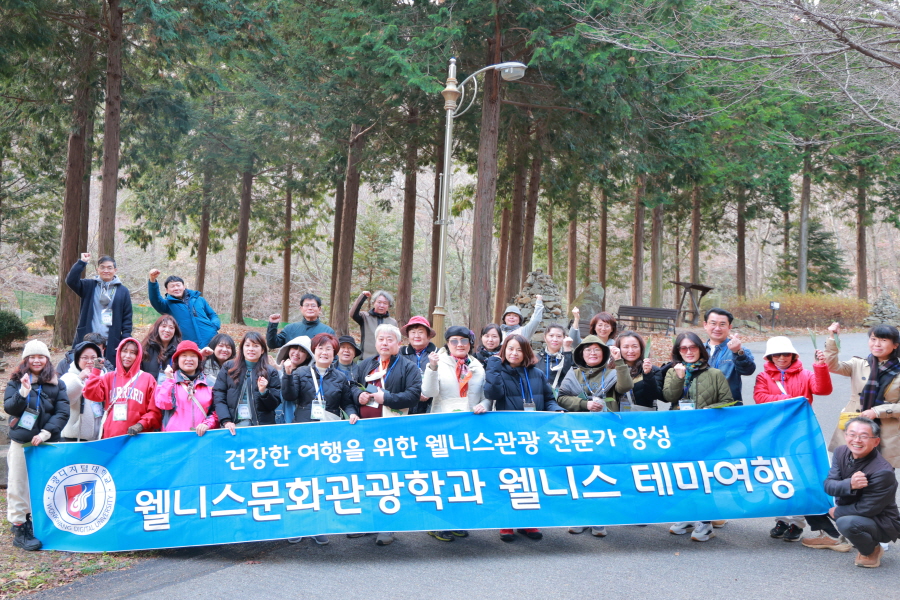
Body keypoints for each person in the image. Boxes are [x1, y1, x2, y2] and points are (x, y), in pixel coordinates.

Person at [482, 333, 562, 543]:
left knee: (531, 478)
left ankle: (528, 521)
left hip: (534, 434)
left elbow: (548, 399)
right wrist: (492, 367)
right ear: (504, 351)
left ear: (526, 352)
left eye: (519, 349)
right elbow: (491, 393)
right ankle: (506, 522)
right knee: (509, 478)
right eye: (510, 349)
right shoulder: (498, 372)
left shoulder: (536, 374)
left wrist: (557, 411)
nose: (514, 353)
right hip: (507, 434)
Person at [753, 336, 833, 541]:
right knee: (775, 475)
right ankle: (781, 519)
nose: (781, 357)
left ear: (793, 355)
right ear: (770, 356)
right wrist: (791, 400)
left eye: (786, 353)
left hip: (800, 434)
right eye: (777, 354)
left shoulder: (806, 374)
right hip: (774, 433)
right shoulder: (764, 377)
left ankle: (797, 522)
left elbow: (823, 389)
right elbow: (760, 398)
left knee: (799, 475)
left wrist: (821, 366)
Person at [350, 324, 422, 547]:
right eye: (380, 339)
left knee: (389, 477)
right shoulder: (365, 365)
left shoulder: (409, 367)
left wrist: (386, 398)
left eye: (389, 339)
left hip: (392, 431)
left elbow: (413, 395)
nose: (384, 343)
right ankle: (364, 522)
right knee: (364, 476)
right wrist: (359, 395)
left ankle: (387, 525)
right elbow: (350, 386)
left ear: (398, 343)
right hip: (365, 429)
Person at [283, 333, 358, 545]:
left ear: (334, 354)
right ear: (314, 351)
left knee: (323, 479)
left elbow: (347, 403)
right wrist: (288, 375)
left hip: (328, 433)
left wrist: (352, 413)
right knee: (301, 478)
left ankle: (318, 526)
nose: (324, 352)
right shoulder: (300, 372)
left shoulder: (340, 378)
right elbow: (289, 396)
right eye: (320, 348)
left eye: (328, 349)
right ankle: (297, 524)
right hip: (303, 430)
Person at [556, 335, 632, 538]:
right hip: (579, 431)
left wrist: (620, 362)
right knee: (580, 474)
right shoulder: (573, 374)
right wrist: (584, 404)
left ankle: (600, 518)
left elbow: (625, 387)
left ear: (604, 353)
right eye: (588, 350)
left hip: (606, 432)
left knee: (602, 474)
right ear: (581, 353)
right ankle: (580, 517)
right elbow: (561, 397)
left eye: (596, 350)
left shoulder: (612, 373)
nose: (592, 353)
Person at [801, 417, 900, 568]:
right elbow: (829, 485)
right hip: (849, 507)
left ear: (876, 442)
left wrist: (839, 511)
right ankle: (831, 535)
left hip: (880, 521)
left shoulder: (883, 471)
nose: (857, 440)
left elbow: (868, 509)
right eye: (852, 434)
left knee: (846, 523)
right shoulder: (841, 452)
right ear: (846, 436)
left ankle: (871, 550)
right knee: (807, 492)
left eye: (864, 436)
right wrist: (850, 484)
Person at [663, 331, 733, 542]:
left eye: (692, 347)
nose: (688, 352)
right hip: (680, 432)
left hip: (706, 433)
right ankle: (686, 515)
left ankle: (705, 522)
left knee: (703, 475)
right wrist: (679, 377)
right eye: (683, 348)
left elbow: (728, 401)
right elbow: (669, 397)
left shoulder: (715, 374)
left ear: (700, 349)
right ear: (678, 352)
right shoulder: (672, 371)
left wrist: (706, 410)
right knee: (681, 475)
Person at [4, 340, 70, 551]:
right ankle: (19, 525)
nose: (36, 360)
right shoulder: (16, 381)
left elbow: (62, 411)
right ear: (26, 359)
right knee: (18, 483)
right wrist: (23, 392)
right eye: (32, 356)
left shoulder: (57, 383)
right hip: (21, 441)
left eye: (40, 356)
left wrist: (46, 432)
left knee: (46, 483)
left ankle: (41, 522)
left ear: (47, 360)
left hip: (47, 441)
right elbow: (10, 408)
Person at [420, 325, 483, 543]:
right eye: (454, 341)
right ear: (447, 343)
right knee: (441, 476)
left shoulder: (477, 365)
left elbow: (484, 395)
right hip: (442, 426)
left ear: (470, 343)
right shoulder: (439, 362)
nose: (459, 345)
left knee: (463, 476)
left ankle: (458, 521)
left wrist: (483, 405)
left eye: (464, 341)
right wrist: (432, 367)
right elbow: (428, 393)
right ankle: (436, 523)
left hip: (469, 428)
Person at [824, 322, 900, 468]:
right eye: (873, 339)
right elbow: (830, 365)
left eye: (883, 340)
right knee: (848, 472)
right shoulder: (857, 364)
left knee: (880, 477)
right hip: (856, 427)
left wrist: (876, 411)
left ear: (895, 345)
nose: (877, 344)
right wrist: (832, 338)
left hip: (885, 430)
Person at [82, 338, 161, 439]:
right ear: (119, 353)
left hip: (138, 437)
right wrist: (96, 372)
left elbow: (155, 412)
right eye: (124, 351)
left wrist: (142, 424)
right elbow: (90, 394)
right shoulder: (108, 377)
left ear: (138, 356)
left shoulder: (148, 379)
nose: (127, 356)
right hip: (111, 437)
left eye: (132, 353)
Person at [65, 252, 132, 364]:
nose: (106, 270)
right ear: (97, 270)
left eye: (109, 268)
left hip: (110, 341)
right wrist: (82, 263)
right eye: (102, 267)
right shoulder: (89, 285)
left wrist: (125, 340)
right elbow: (70, 281)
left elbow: (127, 318)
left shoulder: (123, 291)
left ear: (115, 270)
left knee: (106, 371)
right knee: (85, 367)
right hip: (88, 339)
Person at [213, 332, 282, 432]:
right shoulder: (229, 367)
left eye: (256, 346)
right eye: (247, 345)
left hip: (260, 427)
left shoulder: (271, 372)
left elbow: (273, 405)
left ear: (262, 350)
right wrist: (226, 421)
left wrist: (264, 392)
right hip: (233, 426)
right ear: (242, 348)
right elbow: (219, 395)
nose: (251, 349)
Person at [155, 340, 218, 435]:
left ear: (199, 359)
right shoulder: (167, 379)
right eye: (184, 355)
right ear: (177, 359)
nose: (189, 359)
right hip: (173, 438)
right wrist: (169, 380)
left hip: (202, 438)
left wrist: (208, 424)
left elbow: (218, 409)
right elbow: (163, 404)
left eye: (193, 356)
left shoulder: (210, 382)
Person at [148, 270, 221, 348]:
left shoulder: (199, 299)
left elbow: (212, 315)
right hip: (188, 345)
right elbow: (155, 299)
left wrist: (214, 326)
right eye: (172, 286)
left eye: (178, 285)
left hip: (211, 340)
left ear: (183, 287)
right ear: (167, 290)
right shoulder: (166, 305)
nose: (176, 288)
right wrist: (152, 281)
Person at [702, 308, 756, 406]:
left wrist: (738, 352)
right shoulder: (696, 350)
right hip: (701, 407)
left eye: (722, 324)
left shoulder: (739, 350)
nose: (717, 328)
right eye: (713, 323)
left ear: (729, 327)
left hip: (729, 407)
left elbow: (748, 370)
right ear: (705, 325)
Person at [60, 341, 106, 442]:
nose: (89, 361)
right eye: (85, 358)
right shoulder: (69, 376)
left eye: (93, 358)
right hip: (74, 437)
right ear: (77, 359)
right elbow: (66, 399)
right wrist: (79, 378)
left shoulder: (104, 376)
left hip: (98, 437)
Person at [616, 331, 664, 410]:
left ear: (641, 348)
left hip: (643, 416)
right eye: (626, 347)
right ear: (619, 349)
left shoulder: (654, 370)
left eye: (635, 346)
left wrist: (648, 375)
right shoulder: (612, 370)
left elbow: (654, 396)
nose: (631, 351)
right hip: (616, 417)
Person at [267, 293, 335, 350]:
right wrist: (273, 324)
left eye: (313, 305)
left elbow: (333, 354)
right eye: (306, 305)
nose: (310, 308)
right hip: (292, 365)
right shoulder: (290, 328)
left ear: (319, 309)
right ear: (301, 308)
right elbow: (272, 344)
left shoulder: (327, 331)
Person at [400, 316, 437, 414]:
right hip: (405, 404)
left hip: (431, 405)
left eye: (421, 332)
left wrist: (429, 392)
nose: (416, 335)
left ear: (428, 335)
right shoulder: (400, 354)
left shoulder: (438, 354)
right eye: (412, 332)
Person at [274, 336, 312, 424]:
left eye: (302, 351)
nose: (297, 353)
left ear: (307, 356)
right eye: (294, 348)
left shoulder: (308, 376)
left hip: (295, 420)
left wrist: (285, 374)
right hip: (276, 418)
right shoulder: (277, 369)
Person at [350, 290, 398, 359]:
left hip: (387, 360)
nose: (381, 305)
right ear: (373, 303)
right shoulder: (365, 317)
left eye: (385, 303)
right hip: (366, 359)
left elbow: (396, 341)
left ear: (388, 305)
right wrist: (363, 296)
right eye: (379, 302)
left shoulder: (393, 322)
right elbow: (353, 314)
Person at [141, 314, 182, 382]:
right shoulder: (145, 348)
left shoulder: (179, 351)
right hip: (149, 390)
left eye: (171, 327)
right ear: (157, 328)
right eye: (164, 326)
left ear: (175, 331)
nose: (167, 330)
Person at [537, 324, 574, 393]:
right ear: (545, 338)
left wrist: (567, 349)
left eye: (559, 336)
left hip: (563, 398)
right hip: (541, 396)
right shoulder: (537, 359)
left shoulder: (569, 357)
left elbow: (570, 376)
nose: (555, 339)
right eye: (551, 336)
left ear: (564, 338)